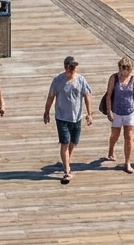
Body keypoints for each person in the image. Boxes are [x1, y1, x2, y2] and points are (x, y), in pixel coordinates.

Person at [43, 55, 92, 185]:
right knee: (65, 142)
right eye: (73, 67)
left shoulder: (81, 80)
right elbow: (51, 97)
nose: (75, 69)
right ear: (66, 68)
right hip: (62, 117)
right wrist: (46, 112)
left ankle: (66, 160)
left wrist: (89, 113)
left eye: (76, 67)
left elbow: (87, 95)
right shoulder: (57, 80)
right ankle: (67, 170)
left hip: (77, 117)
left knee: (73, 142)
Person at [104, 56, 134, 173]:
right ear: (119, 69)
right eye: (122, 71)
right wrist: (109, 111)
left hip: (129, 111)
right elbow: (108, 95)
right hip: (116, 111)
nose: (124, 74)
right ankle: (111, 150)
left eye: (126, 72)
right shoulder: (113, 78)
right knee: (115, 134)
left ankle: (127, 162)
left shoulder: (133, 79)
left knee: (128, 136)